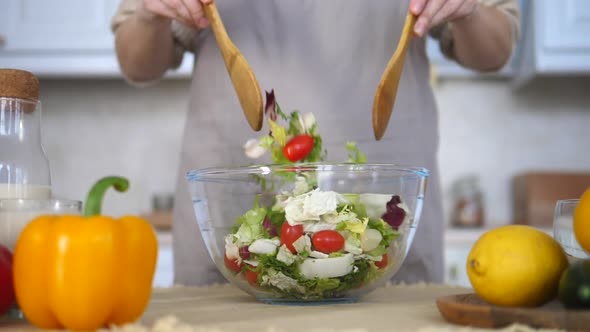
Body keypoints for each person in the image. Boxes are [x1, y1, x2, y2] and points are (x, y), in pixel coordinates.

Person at [112, 0, 520, 286]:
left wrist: (467, 11)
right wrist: (151, 14)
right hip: (229, 206)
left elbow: (496, 50)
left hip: (385, 209)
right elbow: (136, 63)